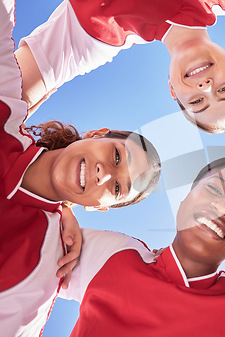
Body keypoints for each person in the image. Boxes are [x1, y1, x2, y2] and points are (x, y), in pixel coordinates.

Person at [0, 1, 162, 335]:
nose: (106, 174)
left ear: (100, 208)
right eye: (117, 156)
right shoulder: (6, 106)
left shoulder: (43, 265)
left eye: (117, 188)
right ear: (96, 134)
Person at [60, 156, 225, 336]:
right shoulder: (113, 254)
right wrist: (59, 209)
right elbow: (25, 231)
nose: (223, 208)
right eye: (215, 190)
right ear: (183, 201)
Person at [16, 0, 225, 133]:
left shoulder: (100, 34)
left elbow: (12, 98)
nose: (206, 87)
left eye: (197, 101)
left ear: (172, 88)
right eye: (224, 88)